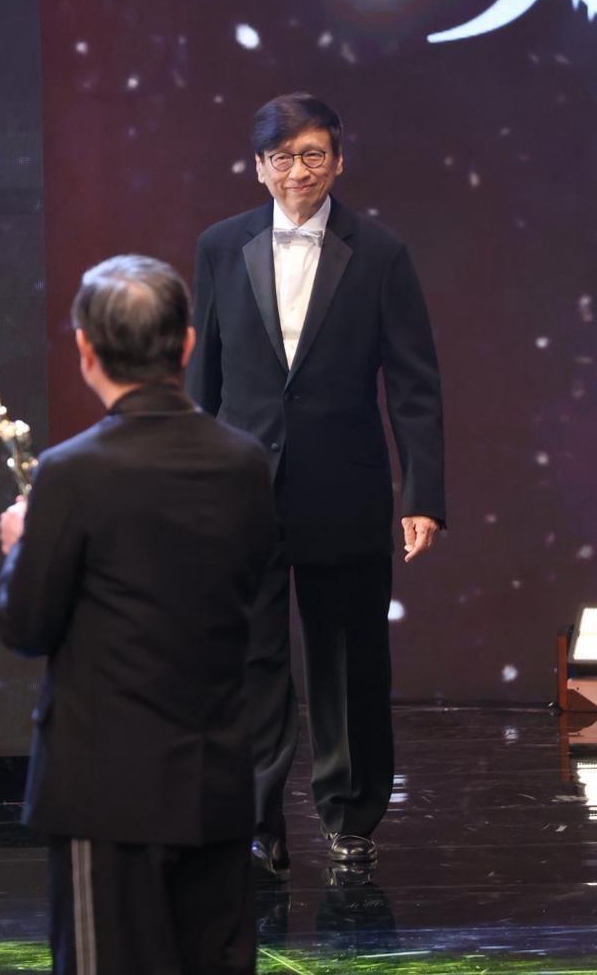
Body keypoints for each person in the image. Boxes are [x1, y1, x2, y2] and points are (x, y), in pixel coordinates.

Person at [0, 255, 279, 975]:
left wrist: (20, 547)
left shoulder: (72, 470)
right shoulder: (244, 461)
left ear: (86, 350)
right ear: (187, 345)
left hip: (106, 798)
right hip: (217, 783)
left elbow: (25, 627)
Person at [187, 92, 446, 876]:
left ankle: (351, 818)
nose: (297, 171)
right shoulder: (219, 245)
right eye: (282, 157)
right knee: (251, 662)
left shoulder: (381, 251)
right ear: (258, 166)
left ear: (338, 160)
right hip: (243, 490)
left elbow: (414, 384)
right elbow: (205, 378)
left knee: (349, 662)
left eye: (313, 155)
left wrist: (423, 494)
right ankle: (258, 821)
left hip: (346, 488)